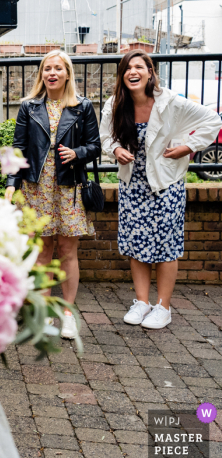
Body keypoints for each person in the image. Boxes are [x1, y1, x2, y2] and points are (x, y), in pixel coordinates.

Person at [100, 50, 222, 329]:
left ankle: (162, 307)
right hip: (133, 185)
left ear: (149, 72)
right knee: (136, 244)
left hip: (166, 185)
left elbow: (213, 121)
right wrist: (116, 149)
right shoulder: (115, 105)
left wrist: (188, 147)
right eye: (128, 68)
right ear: (122, 75)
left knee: (166, 246)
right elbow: (105, 137)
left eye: (139, 67)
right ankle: (142, 302)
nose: (133, 72)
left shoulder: (170, 102)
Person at [4, 50, 101, 340]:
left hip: (69, 188)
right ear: (42, 74)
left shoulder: (82, 107)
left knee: (68, 252)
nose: (52, 73)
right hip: (37, 188)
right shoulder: (29, 107)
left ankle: (67, 315)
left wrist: (78, 152)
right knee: (42, 253)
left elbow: (95, 146)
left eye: (58, 68)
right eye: (47, 68)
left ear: (67, 73)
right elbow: (17, 146)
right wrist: (12, 182)